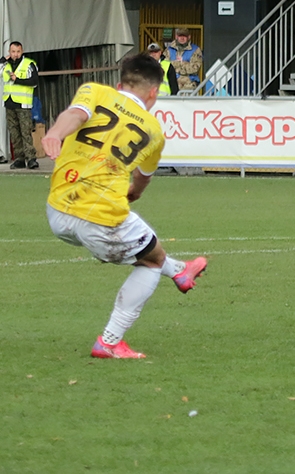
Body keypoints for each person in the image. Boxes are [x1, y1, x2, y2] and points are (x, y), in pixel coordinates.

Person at [42, 54, 208, 359]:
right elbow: (143, 178)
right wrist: (133, 191)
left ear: (119, 84)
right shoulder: (154, 131)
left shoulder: (95, 91)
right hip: (101, 216)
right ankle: (109, 341)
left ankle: (182, 272)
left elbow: (75, 115)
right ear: (154, 92)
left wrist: (54, 133)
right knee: (152, 261)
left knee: (149, 246)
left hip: (58, 208)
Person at [3, 41, 39, 169]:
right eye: (13, 52)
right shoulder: (5, 65)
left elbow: (34, 81)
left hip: (23, 103)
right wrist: (3, 59)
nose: (15, 54)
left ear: (22, 51)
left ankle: (31, 158)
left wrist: (17, 80)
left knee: (25, 131)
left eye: (18, 51)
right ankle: (19, 158)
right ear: (9, 52)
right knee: (14, 132)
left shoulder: (29, 64)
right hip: (9, 102)